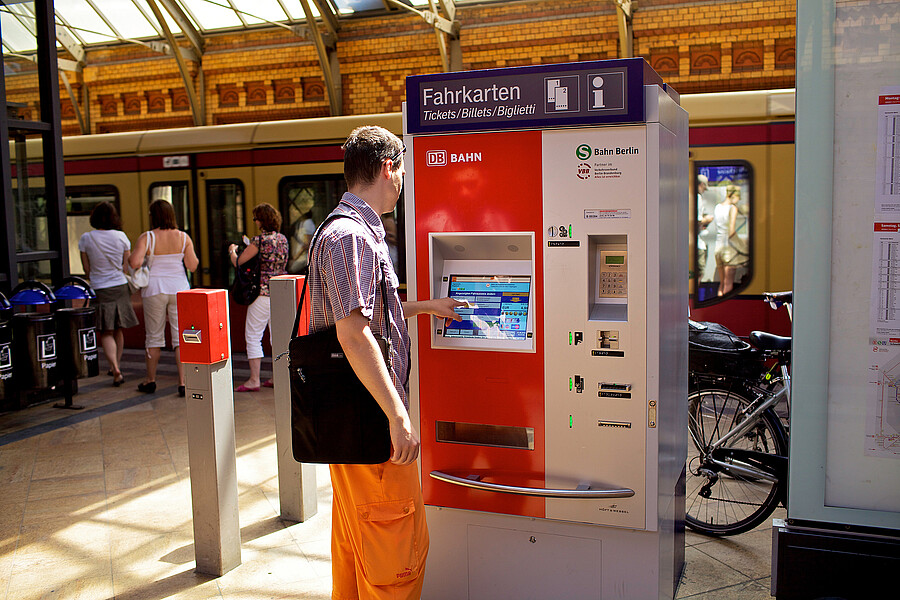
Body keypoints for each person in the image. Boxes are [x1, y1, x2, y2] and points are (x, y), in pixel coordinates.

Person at [308, 125, 465, 599]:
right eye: (402, 172)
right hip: (370, 421)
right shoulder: (352, 236)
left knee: (357, 542)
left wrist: (424, 308)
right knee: (395, 552)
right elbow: (353, 333)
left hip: (351, 418)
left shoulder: (344, 230)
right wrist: (399, 416)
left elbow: (366, 307)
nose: (403, 184)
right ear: (386, 169)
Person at [129, 199, 199, 397]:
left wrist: (131, 257)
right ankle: (183, 382)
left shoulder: (147, 237)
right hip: (179, 289)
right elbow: (192, 265)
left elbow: (135, 262)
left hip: (154, 290)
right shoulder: (184, 237)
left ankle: (150, 380)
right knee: (180, 338)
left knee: (154, 336)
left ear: (153, 216)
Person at [78, 201, 139, 387]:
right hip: (120, 286)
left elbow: (86, 270)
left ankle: (114, 367)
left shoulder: (86, 239)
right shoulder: (121, 237)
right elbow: (126, 267)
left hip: (100, 288)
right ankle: (116, 365)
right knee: (118, 328)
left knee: (106, 331)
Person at [228, 202, 288, 391]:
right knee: (277, 337)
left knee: (253, 336)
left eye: (256, 218)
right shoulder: (283, 239)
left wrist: (232, 251)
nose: (255, 222)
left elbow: (239, 262)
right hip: (280, 293)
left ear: (262, 220)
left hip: (261, 293)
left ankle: (254, 380)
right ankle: (278, 377)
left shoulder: (259, 241)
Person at [714, 185, 747, 296]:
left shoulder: (717, 207)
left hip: (718, 247)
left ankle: (717, 309)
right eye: (738, 197)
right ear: (732, 195)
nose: (739, 200)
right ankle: (723, 310)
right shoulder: (732, 208)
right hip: (728, 249)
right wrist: (741, 245)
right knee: (728, 284)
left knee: (721, 284)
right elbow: (731, 231)